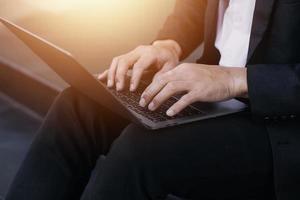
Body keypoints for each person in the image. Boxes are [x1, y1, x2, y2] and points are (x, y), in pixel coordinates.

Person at [6, 0, 300, 199]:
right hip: (209, 87)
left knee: (140, 152)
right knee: (77, 108)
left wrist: (237, 79)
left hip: (280, 122)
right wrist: (169, 43)